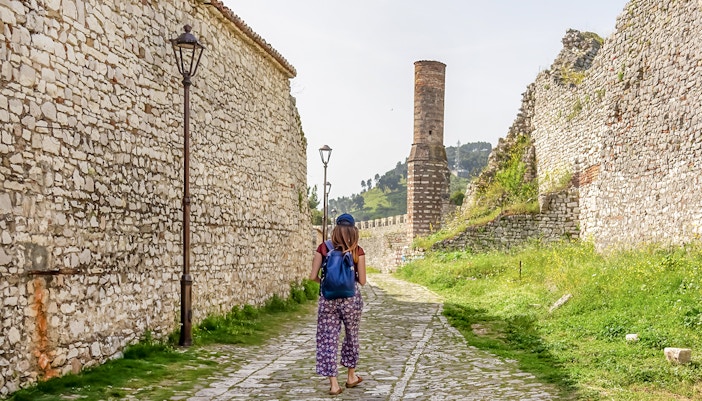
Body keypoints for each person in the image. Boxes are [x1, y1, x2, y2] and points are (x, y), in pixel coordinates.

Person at [309, 213, 367, 396]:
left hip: (328, 300)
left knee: (327, 339)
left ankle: (334, 385)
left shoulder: (323, 248)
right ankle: (351, 376)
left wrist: (327, 284)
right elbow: (363, 281)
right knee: (351, 336)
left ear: (335, 229)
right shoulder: (357, 250)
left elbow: (312, 277)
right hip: (351, 299)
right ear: (353, 230)